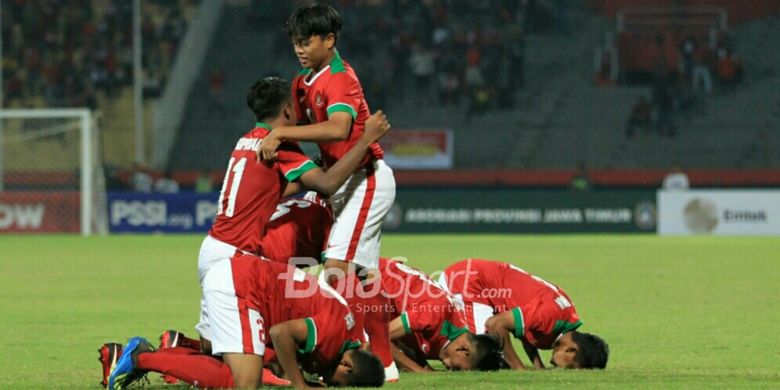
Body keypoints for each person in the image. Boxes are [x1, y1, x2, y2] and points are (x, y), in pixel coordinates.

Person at [107, 76, 391, 390]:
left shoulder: (248, 140)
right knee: (242, 380)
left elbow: (282, 186)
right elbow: (326, 184)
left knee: (214, 350)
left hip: (215, 248)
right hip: (235, 257)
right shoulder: (278, 145)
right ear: (286, 110)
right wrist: (365, 140)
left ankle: (152, 351)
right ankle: (139, 357)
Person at [257, 3, 396, 282]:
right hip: (339, 180)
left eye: (306, 42)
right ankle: (375, 324)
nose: (299, 49)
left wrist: (280, 135)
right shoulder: (302, 81)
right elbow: (292, 124)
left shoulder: (340, 78)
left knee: (335, 272)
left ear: (329, 40)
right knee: (360, 278)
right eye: (296, 42)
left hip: (365, 178)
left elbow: (338, 128)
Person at [103, 261, 385, 389]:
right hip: (242, 288)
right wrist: (300, 385)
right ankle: (139, 358)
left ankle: (173, 347)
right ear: (346, 365)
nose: (327, 382)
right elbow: (280, 333)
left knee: (258, 365)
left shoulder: (350, 332)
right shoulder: (334, 336)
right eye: (337, 384)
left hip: (243, 280)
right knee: (243, 382)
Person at [438, 259, 609, 370]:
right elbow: (495, 325)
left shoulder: (565, 316)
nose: (560, 369)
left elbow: (527, 328)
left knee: (495, 357)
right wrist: (519, 368)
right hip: (470, 281)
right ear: (572, 349)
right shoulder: (549, 315)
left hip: (479, 282)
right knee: (481, 354)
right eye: (570, 367)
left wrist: (537, 365)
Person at [379, 258, 504, 373]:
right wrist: (420, 371)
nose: (450, 371)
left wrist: (425, 367)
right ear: (464, 349)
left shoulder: (449, 334)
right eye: (457, 368)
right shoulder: (435, 312)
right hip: (367, 278)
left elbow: (404, 343)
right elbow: (378, 339)